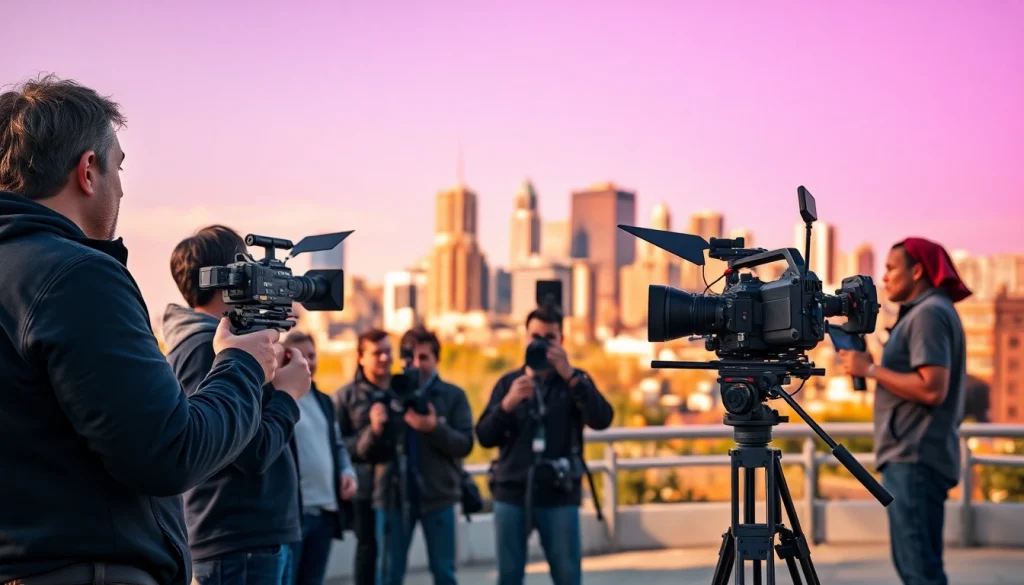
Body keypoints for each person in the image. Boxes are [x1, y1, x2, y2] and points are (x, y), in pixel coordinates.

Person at [0, 75, 287, 585]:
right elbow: (169, 452)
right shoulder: (75, 275)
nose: (123, 187)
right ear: (89, 170)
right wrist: (242, 364)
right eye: (120, 167)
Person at [163, 225, 311, 585]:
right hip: (236, 540)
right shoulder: (207, 349)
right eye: (249, 267)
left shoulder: (210, 345)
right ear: (230, 277)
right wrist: (288, 395)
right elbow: (251, 450)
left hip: (245, 537)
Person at [840, 237, 970, 585]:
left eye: (891, 268)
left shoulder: (929, 314)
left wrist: (869, 370)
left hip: (915, 457)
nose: (884, 278)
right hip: (915, 455)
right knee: (917, 567)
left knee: (920, 573)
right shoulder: (928, 311)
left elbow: (932, 388)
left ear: (917, 271)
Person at [476, 303, 614, 585]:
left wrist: (571, 377)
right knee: (509, 577)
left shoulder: (575, 380)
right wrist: (506, 405)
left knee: (567, 576)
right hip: (511, 494)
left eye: (549, 338)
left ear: (561, 341)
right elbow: (484, 436)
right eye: (535, 336)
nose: (541, 344)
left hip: (559, 493)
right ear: (525, 338)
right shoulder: (509, 383)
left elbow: (602, 419)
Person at [373, 326, 475, 585]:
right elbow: (369, 447)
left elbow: (465, 444)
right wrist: (378, 424)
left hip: (439, 497)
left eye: (424, 358)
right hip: (393, 496)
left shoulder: (453, 396)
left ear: (436, 360)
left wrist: (434, 428)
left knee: (444, 573)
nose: (416, 365)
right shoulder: (388, 394)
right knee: (388, 574)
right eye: (410, 358)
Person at [282, 330, 359, 585]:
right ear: (285, 359)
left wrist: (347, 473)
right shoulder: (279, 400)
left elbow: (337, 445)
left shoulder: (325, 401)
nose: (308, 362)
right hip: (294, 516)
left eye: (312, 355)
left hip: (325, 512)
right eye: (300, 356)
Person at [332, 329, 393, 585]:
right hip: (364, 490)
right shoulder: (345, 397)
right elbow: (338, 446)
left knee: (393, 556)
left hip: (399, 487)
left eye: (388, 351)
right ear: (360, 357)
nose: (384, 358)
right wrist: (373, 430)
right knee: (367, 552)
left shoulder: (404, 389)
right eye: (377, 352)